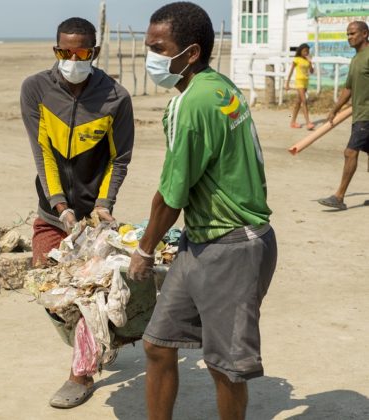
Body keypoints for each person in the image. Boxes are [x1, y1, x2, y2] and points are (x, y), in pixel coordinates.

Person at [127, 3, 277, 419]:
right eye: (147, 47)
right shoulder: (219, 85)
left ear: (190, 53)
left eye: (159, 48)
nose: (151, 57)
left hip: (232, 245)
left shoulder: (190, 104)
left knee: (224, 366)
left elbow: (170, 195)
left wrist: (145, 249)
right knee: (158, 344)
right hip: (201, 242)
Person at [20, 17, 134, 408]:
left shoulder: (116, 97)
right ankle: (99, 340)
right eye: (63, 52)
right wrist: (59, 206)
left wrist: (103, 206)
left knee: (87, 294)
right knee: (51, 290)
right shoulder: (35, 89)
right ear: (55, 49)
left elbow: (119, 161)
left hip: (93, 220)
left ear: (94, 52)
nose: (72, 59)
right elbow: (42, 154)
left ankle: (80, 374)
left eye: (81, 52)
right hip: (52, 212)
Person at [318, 21, 369, 211]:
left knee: (350, 152)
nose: (349, 37)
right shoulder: (356, 59)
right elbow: (348, 88)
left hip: (366, 115)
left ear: (365, 34)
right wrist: (335, 109)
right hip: (360, 114)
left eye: (353, 33)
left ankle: (339, 197)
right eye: (347, 34)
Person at [285, 43, 315, 130]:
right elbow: (291, 71)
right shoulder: (296, 59)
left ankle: (292, 122)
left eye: (307, 51)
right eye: (305, 51)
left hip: (306, 82)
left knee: (298, 102)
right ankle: (308, 123)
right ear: (300, 51)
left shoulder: (307, 60)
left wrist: (310, 62)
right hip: (299, 82)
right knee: (304, 101)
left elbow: (312, 71)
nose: (306, 52)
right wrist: (287, 83)